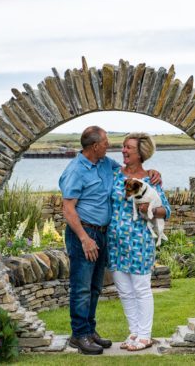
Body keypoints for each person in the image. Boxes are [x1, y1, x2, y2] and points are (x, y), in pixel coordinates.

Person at [59, 126, 161, 355]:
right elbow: (68, 209)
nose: (112, 146)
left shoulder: (106, 165)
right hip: (84, 234)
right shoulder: (75, 170)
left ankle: (89, 330)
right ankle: (79, 335)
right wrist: (84, 239)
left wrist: (153, 172)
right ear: (95, 146)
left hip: (104, 234)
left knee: (95, 287)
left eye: (126, 146)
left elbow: (132, 173)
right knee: (81, 287)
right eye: (106, 142)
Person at [107, 132, 171, 351]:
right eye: (123, 147)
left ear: (141, 153)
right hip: (114, 242)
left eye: (129, 148)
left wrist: (150, 208)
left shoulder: (150, 179)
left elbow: (166, 210)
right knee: (124, 290)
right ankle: (134, 332)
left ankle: (145, 335)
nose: (124, 150)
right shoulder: (114, 174)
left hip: (139, 241)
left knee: (141, 289)